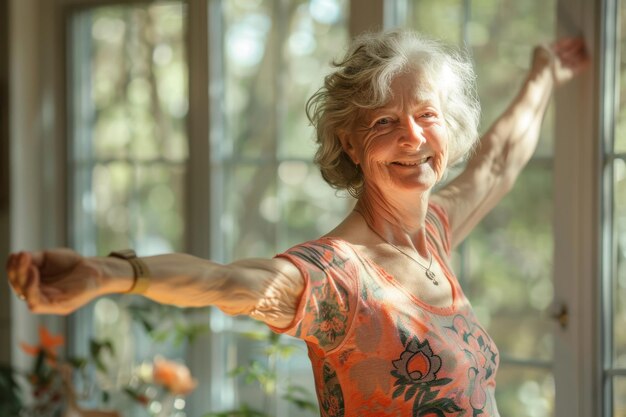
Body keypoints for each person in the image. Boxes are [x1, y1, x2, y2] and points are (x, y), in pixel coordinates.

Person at [7, 29, 588, 416]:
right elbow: (224, 283)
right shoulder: (337, 277)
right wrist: (108, 273)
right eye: (386, 121)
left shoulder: (432, 232)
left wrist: (542, 76)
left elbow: (498, 161)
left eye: (427, 115)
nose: (413, 137)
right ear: (350, 143)